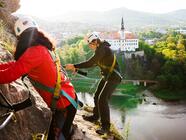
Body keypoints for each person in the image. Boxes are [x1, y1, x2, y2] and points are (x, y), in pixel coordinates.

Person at [0, 16, 77, 140]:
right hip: (66, 99)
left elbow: (11, 74)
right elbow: (16, 65)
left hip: (64, 104)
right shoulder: (41, 48)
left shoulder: (35, 52)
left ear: (21, 37)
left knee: (58, 137)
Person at [65, 32, 122, 135]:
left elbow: (90, 62)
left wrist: (74, 65)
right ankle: (95, 117)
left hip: (114, 77)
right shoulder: (100, 51)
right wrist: (77, 69)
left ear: (95, 41)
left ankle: (105, 127)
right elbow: (90, 66)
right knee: (97, 96)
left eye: (90, 44)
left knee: (102, 99)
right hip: (107, 76)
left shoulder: (102, 49)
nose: (90, 46)